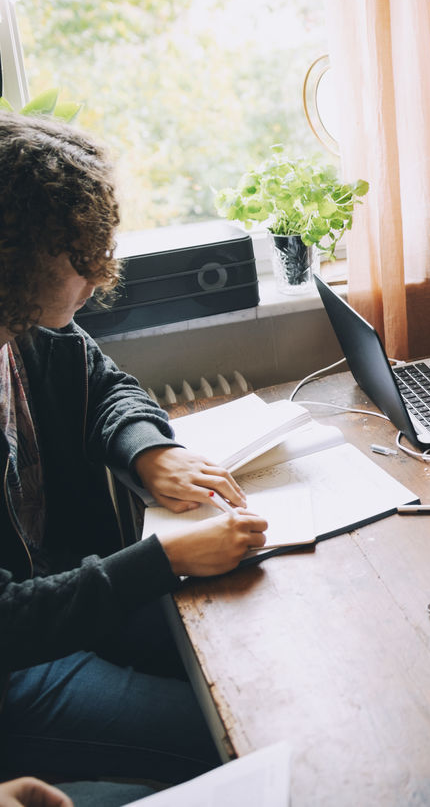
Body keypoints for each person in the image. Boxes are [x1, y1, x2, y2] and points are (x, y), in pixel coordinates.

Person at [0, 113, 270, 799]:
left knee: (261, 650)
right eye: (76, 252)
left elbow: (109, 386)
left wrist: (148, 453)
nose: (100, 271)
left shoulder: (27, 329)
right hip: (18, 669)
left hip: (76, 590)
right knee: (237, 730)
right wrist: (166, 559)